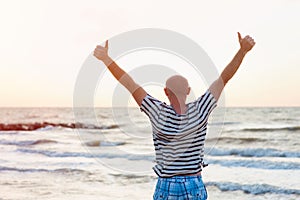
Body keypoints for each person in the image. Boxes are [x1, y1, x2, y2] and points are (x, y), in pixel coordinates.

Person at [94, 32, 255, 200]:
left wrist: (106, 59)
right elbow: (224, 78)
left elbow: (129, 83)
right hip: (193, 184)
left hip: (166, 184)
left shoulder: (156, 111)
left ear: (165, 92)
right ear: (188, 91)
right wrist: (242, 51)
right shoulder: (201, 109)